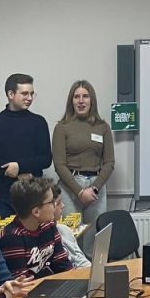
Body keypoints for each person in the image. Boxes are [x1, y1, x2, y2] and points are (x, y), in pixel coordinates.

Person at [0, 73, 52, 218]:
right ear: (10, 94)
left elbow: (46, 159)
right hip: (1, 195)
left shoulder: (39, 122)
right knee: (4, 232)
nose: (29, 98)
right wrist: (11, 170)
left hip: (32, 194)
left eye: (32, 94)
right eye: (24, 94)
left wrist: (19, 166)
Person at [53, 79, 115, 256]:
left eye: (85, 96)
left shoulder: (103, 127)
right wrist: (80, 192)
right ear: (71, 101)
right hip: (69, 187)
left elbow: (109, 162)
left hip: (96, 187)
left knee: (94, 239)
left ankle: (92, 273)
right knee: (70, 238)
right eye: (76, 97)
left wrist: (94, 188)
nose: (81, 101)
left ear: (91, 100)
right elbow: (59, 164)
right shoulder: (62, 127)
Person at [0, 177, 73, 279]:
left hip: (49, 284)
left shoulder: (49, 225)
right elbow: (22, 282)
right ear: (36, 212)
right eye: (51, 202)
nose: (55, 205)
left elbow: (63, 265)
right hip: (31, 287)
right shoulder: (11, 238)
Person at [50, 183, 91, 268]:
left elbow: (79, 259)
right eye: (59, 203)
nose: (63, 205)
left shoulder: (64, 230)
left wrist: (91, 269)